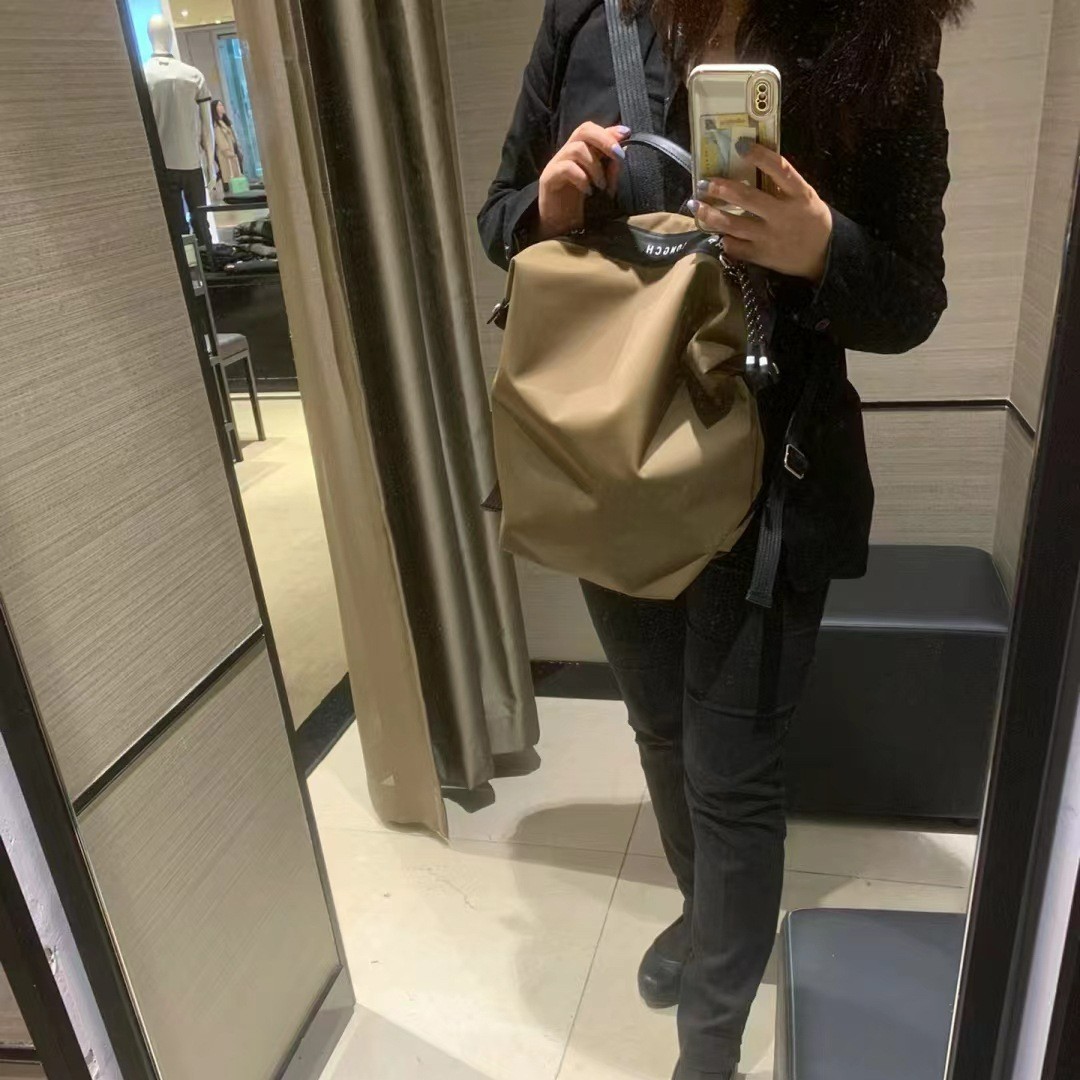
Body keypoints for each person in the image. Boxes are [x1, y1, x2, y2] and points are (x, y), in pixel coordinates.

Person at [479, 1, 966, 1078]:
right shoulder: (589, 13)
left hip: (774, 478)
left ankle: (709, 1048)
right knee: (660, 729)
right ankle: (708, 921)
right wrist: (546, 207)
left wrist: (822, 248)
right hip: (617, 460)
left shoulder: (878, 34)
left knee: (730, 772)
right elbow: (498, 216)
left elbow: (913, 299)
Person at [212, 99, 245, 190]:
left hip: (234, 152)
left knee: (237, 174)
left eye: (222, 105)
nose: (222, 107)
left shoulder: (226, 122)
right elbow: (220, 141)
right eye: (219, 105)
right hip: (227, 155)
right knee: (228, 175)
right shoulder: (216, 125)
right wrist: (229, 153)